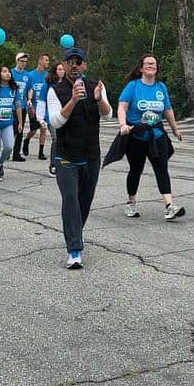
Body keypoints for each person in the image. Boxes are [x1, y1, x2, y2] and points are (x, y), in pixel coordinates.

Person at [47, 48, 112, 268]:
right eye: (70, 62)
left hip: (91, 155)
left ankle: (75, 233)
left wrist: (98, 100)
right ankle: (74, 250)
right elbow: (55, 122)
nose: (74, 66)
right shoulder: (55, 90)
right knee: (71, 199)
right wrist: (73, 100)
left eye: (78, 62)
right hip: (66, 156)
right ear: (64, 66)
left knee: (84, 203)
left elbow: (108, 113)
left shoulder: (96, 86)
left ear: (84, 65)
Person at [117, 54, 186, 221]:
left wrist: (175, 130)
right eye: (147, 63)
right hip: (137, 135)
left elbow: (167, 110)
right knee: (136, 169)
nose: (150, 65)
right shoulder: (133, 86)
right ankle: (131, 202)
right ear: (141, 68)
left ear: (156, 68)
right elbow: (122, 107)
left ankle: (169, 206)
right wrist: (122, 125)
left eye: (153, 63)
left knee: (162, 168)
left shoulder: (161, 87)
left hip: (157, 135)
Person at [41, 62, 66, 176]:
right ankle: (53, 164)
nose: (61, 71)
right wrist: (41, 118)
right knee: (56, 139)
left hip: (65, 116)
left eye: (63, 69)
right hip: (51, 116)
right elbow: (41, 100)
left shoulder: (68, 83)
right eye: (59, 69)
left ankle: (63, 161)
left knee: (64, 139)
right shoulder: (48, 84)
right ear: (55, 71)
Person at [24, 53, 50, 160]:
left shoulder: (47, 75)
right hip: (33, 107)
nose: (48, 62)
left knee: (43, 128)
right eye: (46, 60)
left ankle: (41, 152)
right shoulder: (31, 75)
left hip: (43, 107)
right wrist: (29, 106)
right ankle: (26, 140)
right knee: (34, 130)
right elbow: (26, 91)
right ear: (40, 61)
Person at [10, 52, 31, 162]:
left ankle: (16, 153)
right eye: (21, 61)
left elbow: (29, 89)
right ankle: (7, 151)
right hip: (10, 107)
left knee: (20, 130)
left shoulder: (27, 75)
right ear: (17, 61)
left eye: (25, 62)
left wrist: (29, 99)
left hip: (22, 107)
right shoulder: (10, 73)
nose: (23, 64)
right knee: (10, 130)